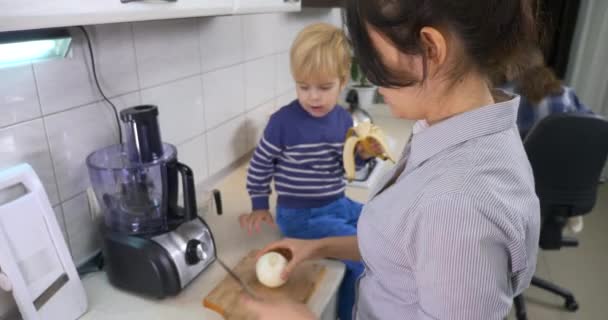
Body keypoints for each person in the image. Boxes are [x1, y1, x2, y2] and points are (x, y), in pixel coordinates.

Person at [242, 0, 541, 319]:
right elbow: (404, 249)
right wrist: (318, 246)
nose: (370, 77)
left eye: (374, 58)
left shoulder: (456, 204)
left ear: (430, 48)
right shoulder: (457, 131)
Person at [238, 22, 378, 320]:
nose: (313, 96)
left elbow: (346, 166)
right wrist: (259, 204)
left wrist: (363, 155)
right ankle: (347, 315)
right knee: (363, 258)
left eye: (324, 88)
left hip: (337, 203)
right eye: (304, 87)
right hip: (300, 218)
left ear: (342, 82)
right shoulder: (282, 123)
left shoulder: (343, 120)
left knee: (381, 225)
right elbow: (261, 163)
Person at [493, 46, 594, 139]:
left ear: (512, 69)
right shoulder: (566, 93)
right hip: (562, 155)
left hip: (520, 157)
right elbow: (593, 123)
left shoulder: (503, 96)